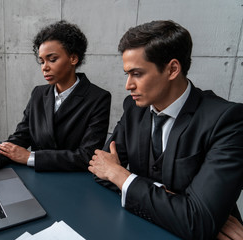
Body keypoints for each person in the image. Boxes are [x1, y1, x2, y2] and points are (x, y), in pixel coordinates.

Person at [88, 20, 243, 239]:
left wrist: (121, 176)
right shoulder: (133, 107)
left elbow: (197, 223)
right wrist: (181, 205)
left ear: (172, 69)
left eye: (137, 74)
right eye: (127, 74)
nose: (128, 85)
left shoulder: (228, 120)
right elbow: (102, 170)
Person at [0, 20, 111, 180]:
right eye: (42, 61)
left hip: (75, 184)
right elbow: (20, 138)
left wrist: (30, 157)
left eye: (52, 59)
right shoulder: (39, 93)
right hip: (37, 179)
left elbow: (87, 156)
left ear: (73, 58)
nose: (44, 67)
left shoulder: (98, 98)